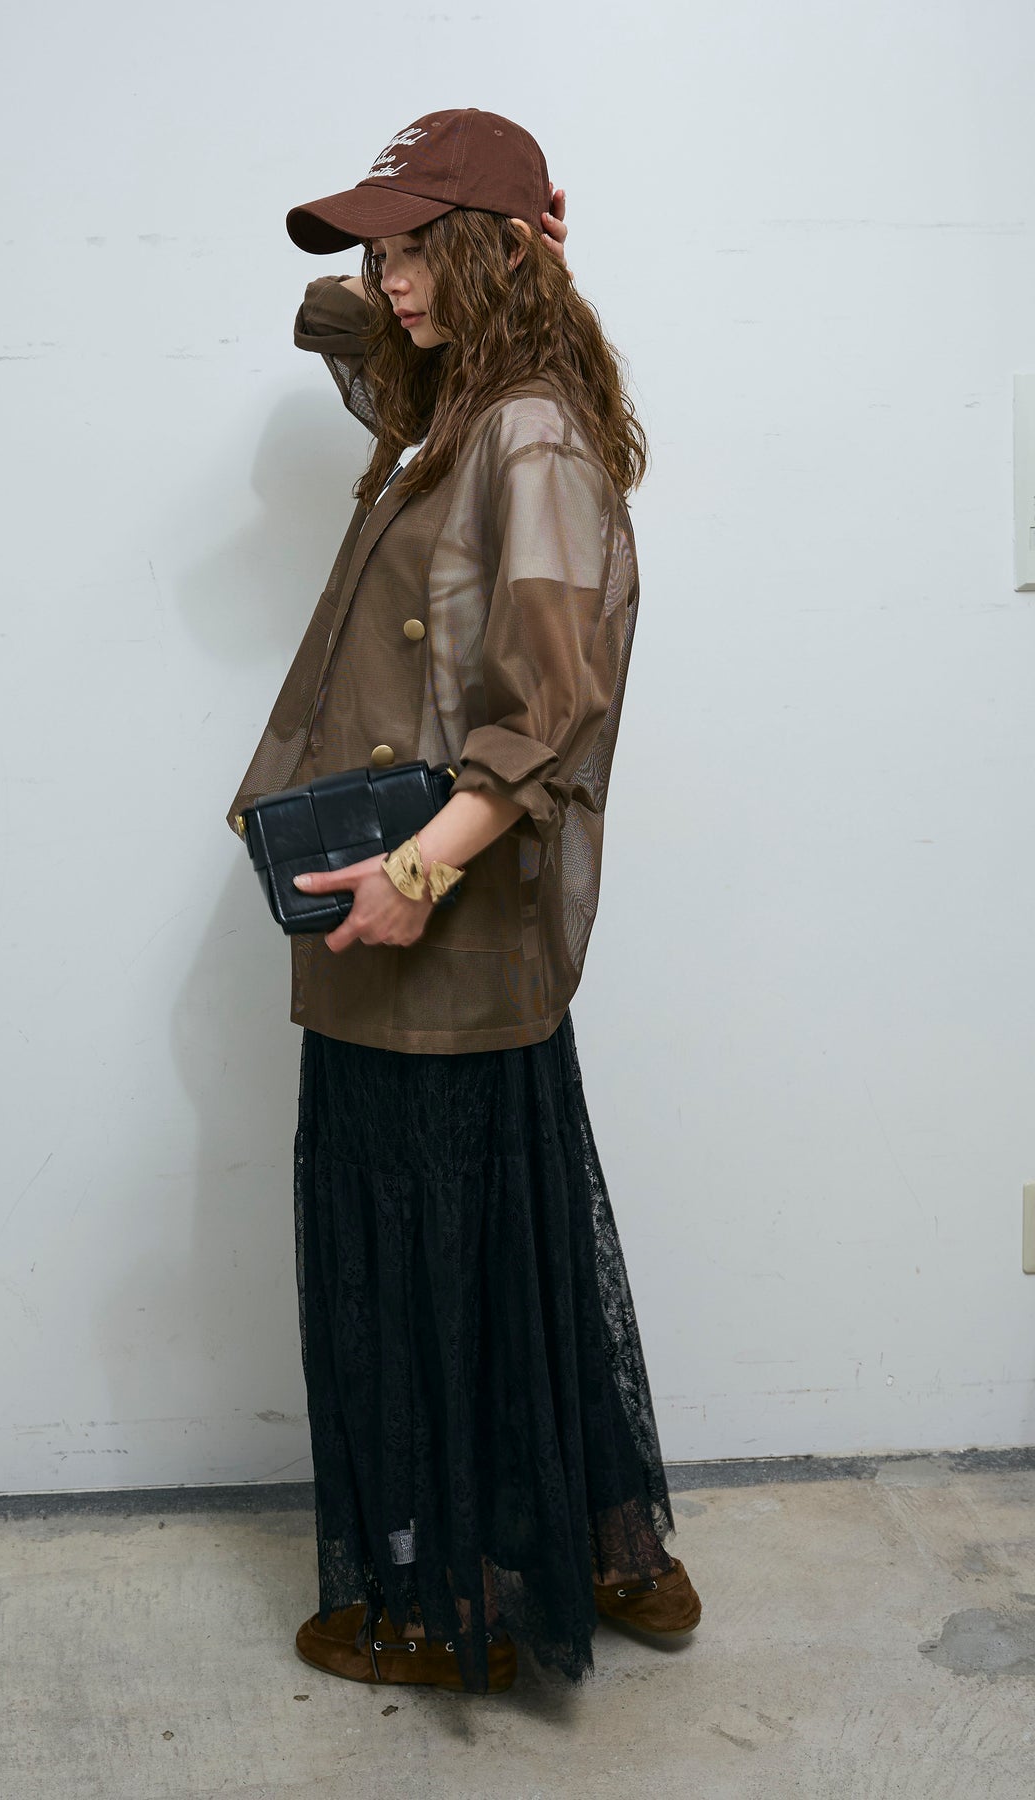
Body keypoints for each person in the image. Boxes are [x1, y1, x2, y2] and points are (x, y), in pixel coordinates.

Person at [227, 108, 702, 1695]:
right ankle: (602, 1544)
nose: (390, 281)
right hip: (417, 914)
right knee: (498, 1242)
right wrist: (466, 259)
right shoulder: (455, 401)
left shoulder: (529, 434)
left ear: (489, 251)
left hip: (433, 911)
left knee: (437, 1252)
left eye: (421, 248)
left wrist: (420, 874)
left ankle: (451, 1610)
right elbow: (329, 320)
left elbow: (550, 707)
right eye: (386, 250)